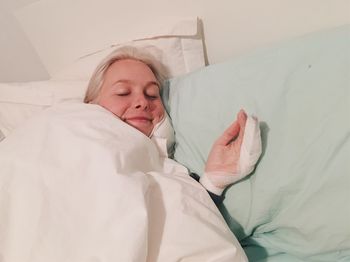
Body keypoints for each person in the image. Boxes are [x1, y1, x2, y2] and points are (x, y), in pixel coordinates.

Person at [84, 46, 262, 205]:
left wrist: (213, 182)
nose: (142, 102)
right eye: (123, 92)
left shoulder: (170, 171)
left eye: (152, 95)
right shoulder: (69, 139)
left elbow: (183, 229)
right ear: (91, 104)